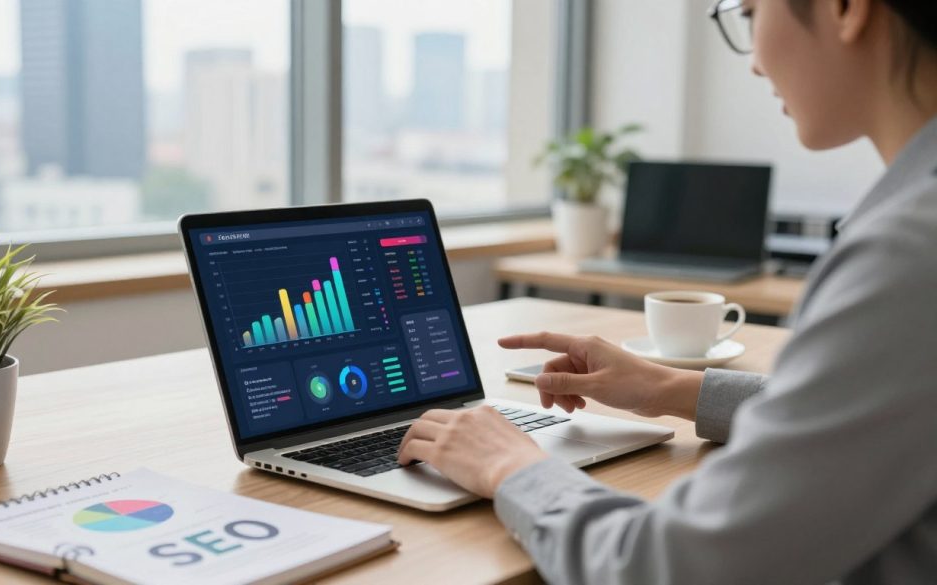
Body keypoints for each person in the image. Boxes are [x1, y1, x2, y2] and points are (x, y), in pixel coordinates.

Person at [397, 0, 937, 582]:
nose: (754, 63)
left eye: (752, 13)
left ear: (846, 8)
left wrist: (509, 465)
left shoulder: (908, 253)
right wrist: (670, 387)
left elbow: (674, 566)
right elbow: (871, 414)